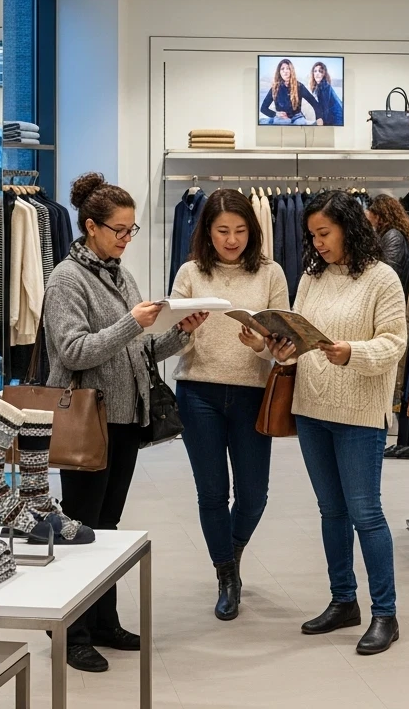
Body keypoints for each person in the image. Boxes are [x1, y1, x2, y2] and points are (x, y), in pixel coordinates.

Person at [41, 172, 208, 674]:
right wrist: (131, 321)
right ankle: (72, 633)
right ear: (90, 227)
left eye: (131, 229)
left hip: (125, 418)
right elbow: (73, 351)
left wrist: (179, 332)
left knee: (108, 527)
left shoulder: (119, 274)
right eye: (119, 229)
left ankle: (104, 622)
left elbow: (138, 350)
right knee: (81, 527)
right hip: (86, 420)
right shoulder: (67, 279)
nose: (126, 238)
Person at [269, 190, 407, 655]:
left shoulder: (382, 279)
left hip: (359, 415)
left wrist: (351, 352)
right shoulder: (312, 277)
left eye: (324, 233)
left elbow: (394, 344)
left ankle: (385, 613)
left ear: (349, 227)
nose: (318, 243)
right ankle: (343, 600)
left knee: (366, 514)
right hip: (312, 409)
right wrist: (279, 348)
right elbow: (300, 337)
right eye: (312, 235)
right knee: (331, 511)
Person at [170, 189, 289, 621]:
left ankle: (232, 551)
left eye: (240, 230)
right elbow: (169, 338)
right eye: (222, 231)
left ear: (252, 231)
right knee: (212, 492)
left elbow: (285, 344)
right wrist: (183, 330)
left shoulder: (271, 273)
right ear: (207, 231)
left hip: (252, 393)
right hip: (197, 392)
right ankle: (225, 575)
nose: (232, 240)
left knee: (254, 494)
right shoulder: (190, 272)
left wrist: (261, 346)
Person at [365, 194, 409, 283]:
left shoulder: (393, 236)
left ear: (378, 216)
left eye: (371, 214)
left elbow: (387, 272)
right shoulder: (389, 233)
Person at [260, 58, 322, 124]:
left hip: (297, 117)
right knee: (283, 122)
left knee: (300, 123)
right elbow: (263, 108)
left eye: (288, 68)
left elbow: (314, 103)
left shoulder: (299, 86)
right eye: (282, 69)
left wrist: (319, 118)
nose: (285, 71)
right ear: (279, 72)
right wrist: (276, 114)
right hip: (281, 118)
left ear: (291, 71)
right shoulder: (275, 88)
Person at [309, 61, 343, 126]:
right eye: (315, 71)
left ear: (324, 74)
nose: (317, 73)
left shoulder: (324, 87)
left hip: (337, 120)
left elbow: (325, 109)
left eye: (320, 71)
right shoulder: (321, 86)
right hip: (335, 118)